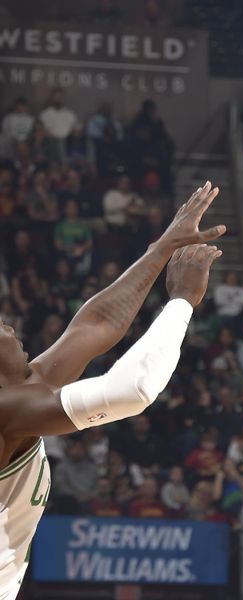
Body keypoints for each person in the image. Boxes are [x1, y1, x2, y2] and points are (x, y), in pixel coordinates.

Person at [0, 181, 225, 598]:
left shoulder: (22, 395)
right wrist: (182, 302)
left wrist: (162, 247)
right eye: (0, 327)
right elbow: (133, 390)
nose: (10, 327)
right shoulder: (5, 410)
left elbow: (94, 326)